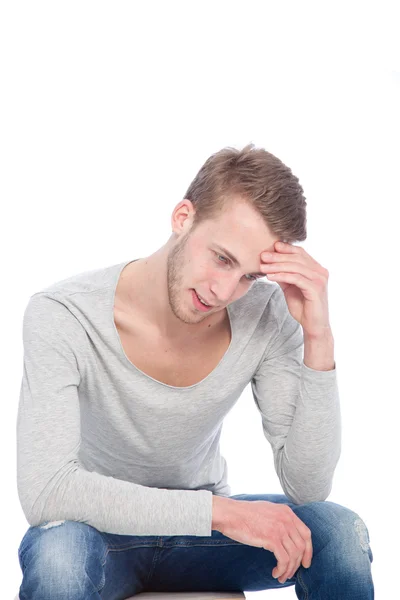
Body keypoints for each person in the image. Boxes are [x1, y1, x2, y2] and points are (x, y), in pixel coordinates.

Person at [16, 144, 374, 599]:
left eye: (249, 276)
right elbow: (47, 492)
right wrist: (221, 513)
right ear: (182, 217)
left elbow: (308, 486)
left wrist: (318, 337)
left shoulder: (266, 316)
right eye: (222, 258)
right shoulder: (64, 314)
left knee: (339, 532)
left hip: (201, 543)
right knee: (58, 560)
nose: (225, 290)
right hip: (94, 530)